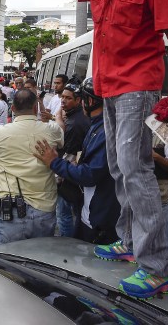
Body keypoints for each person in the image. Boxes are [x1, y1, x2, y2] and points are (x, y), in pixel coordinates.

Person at [0, 0, 168, 299]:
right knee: (117, 167)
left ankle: (159, 267)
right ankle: (129, 241)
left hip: (138, 86)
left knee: (135, 168)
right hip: (109, 89)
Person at [34, 77, 119, 244]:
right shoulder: (97, 124)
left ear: (89, 101)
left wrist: (54, 162)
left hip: (98, 216)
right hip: (89, 209)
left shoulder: (104, 130)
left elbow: (90, 174)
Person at [0, 88, 63, 247]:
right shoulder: (51, 130)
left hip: (10, 209)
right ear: (36, 107)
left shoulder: (0, 133)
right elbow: (61, 135)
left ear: (13, 109)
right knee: (39, 261)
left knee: (2, 263)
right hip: (43, 208)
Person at [53, 82, 91, 237]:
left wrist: (59, 176)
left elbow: (69, 154)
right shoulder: (75, 117)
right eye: (62, 97)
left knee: (64, 213)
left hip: (71, 174)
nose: (63, 100)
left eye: (68, 98)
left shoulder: (75, 123)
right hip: (77, 172)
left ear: (78, 101)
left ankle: (67, 243)